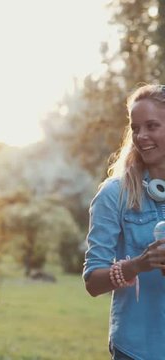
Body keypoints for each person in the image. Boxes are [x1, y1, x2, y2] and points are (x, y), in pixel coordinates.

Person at [83, 84, 165, 360]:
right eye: (136, 128)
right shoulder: (113, 195)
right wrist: (139, 264)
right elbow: (93, 282)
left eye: (152, 126)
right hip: (136, 350)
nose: (141, 136)